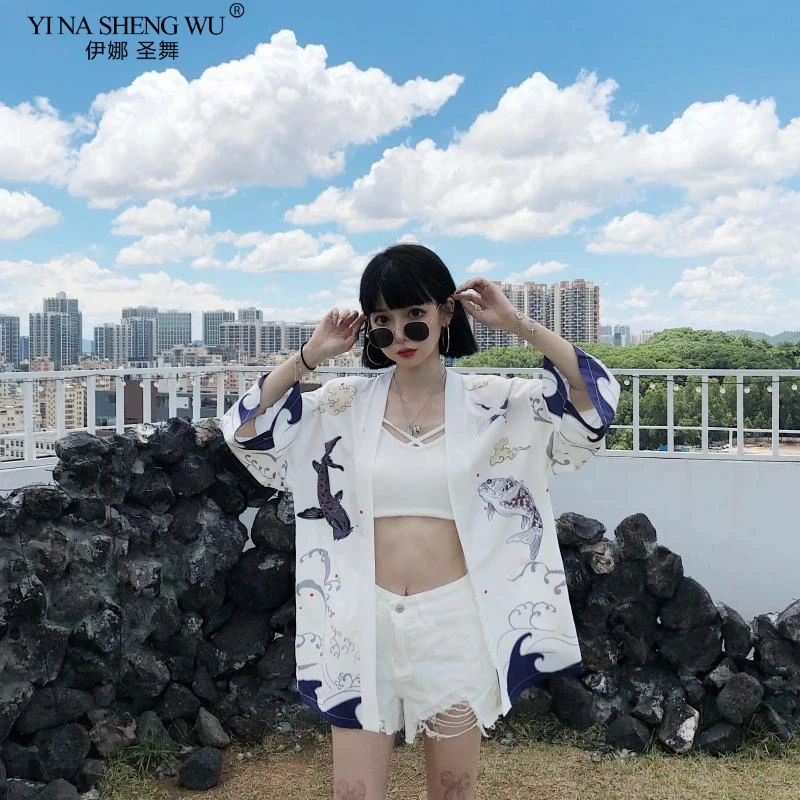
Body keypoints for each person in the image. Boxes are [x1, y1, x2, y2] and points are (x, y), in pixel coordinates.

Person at [220, 243, 620, 800]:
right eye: (382, 321)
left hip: (454, 620)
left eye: (414, 316)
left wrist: (515, 324)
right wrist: (311, 355)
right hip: (359, 620)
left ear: (446, 312)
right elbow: (246, 427)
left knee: (453, 790)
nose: (400, 335)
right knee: (353, 793)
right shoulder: (342, 403)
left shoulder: (494, 402)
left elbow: (591, 400)